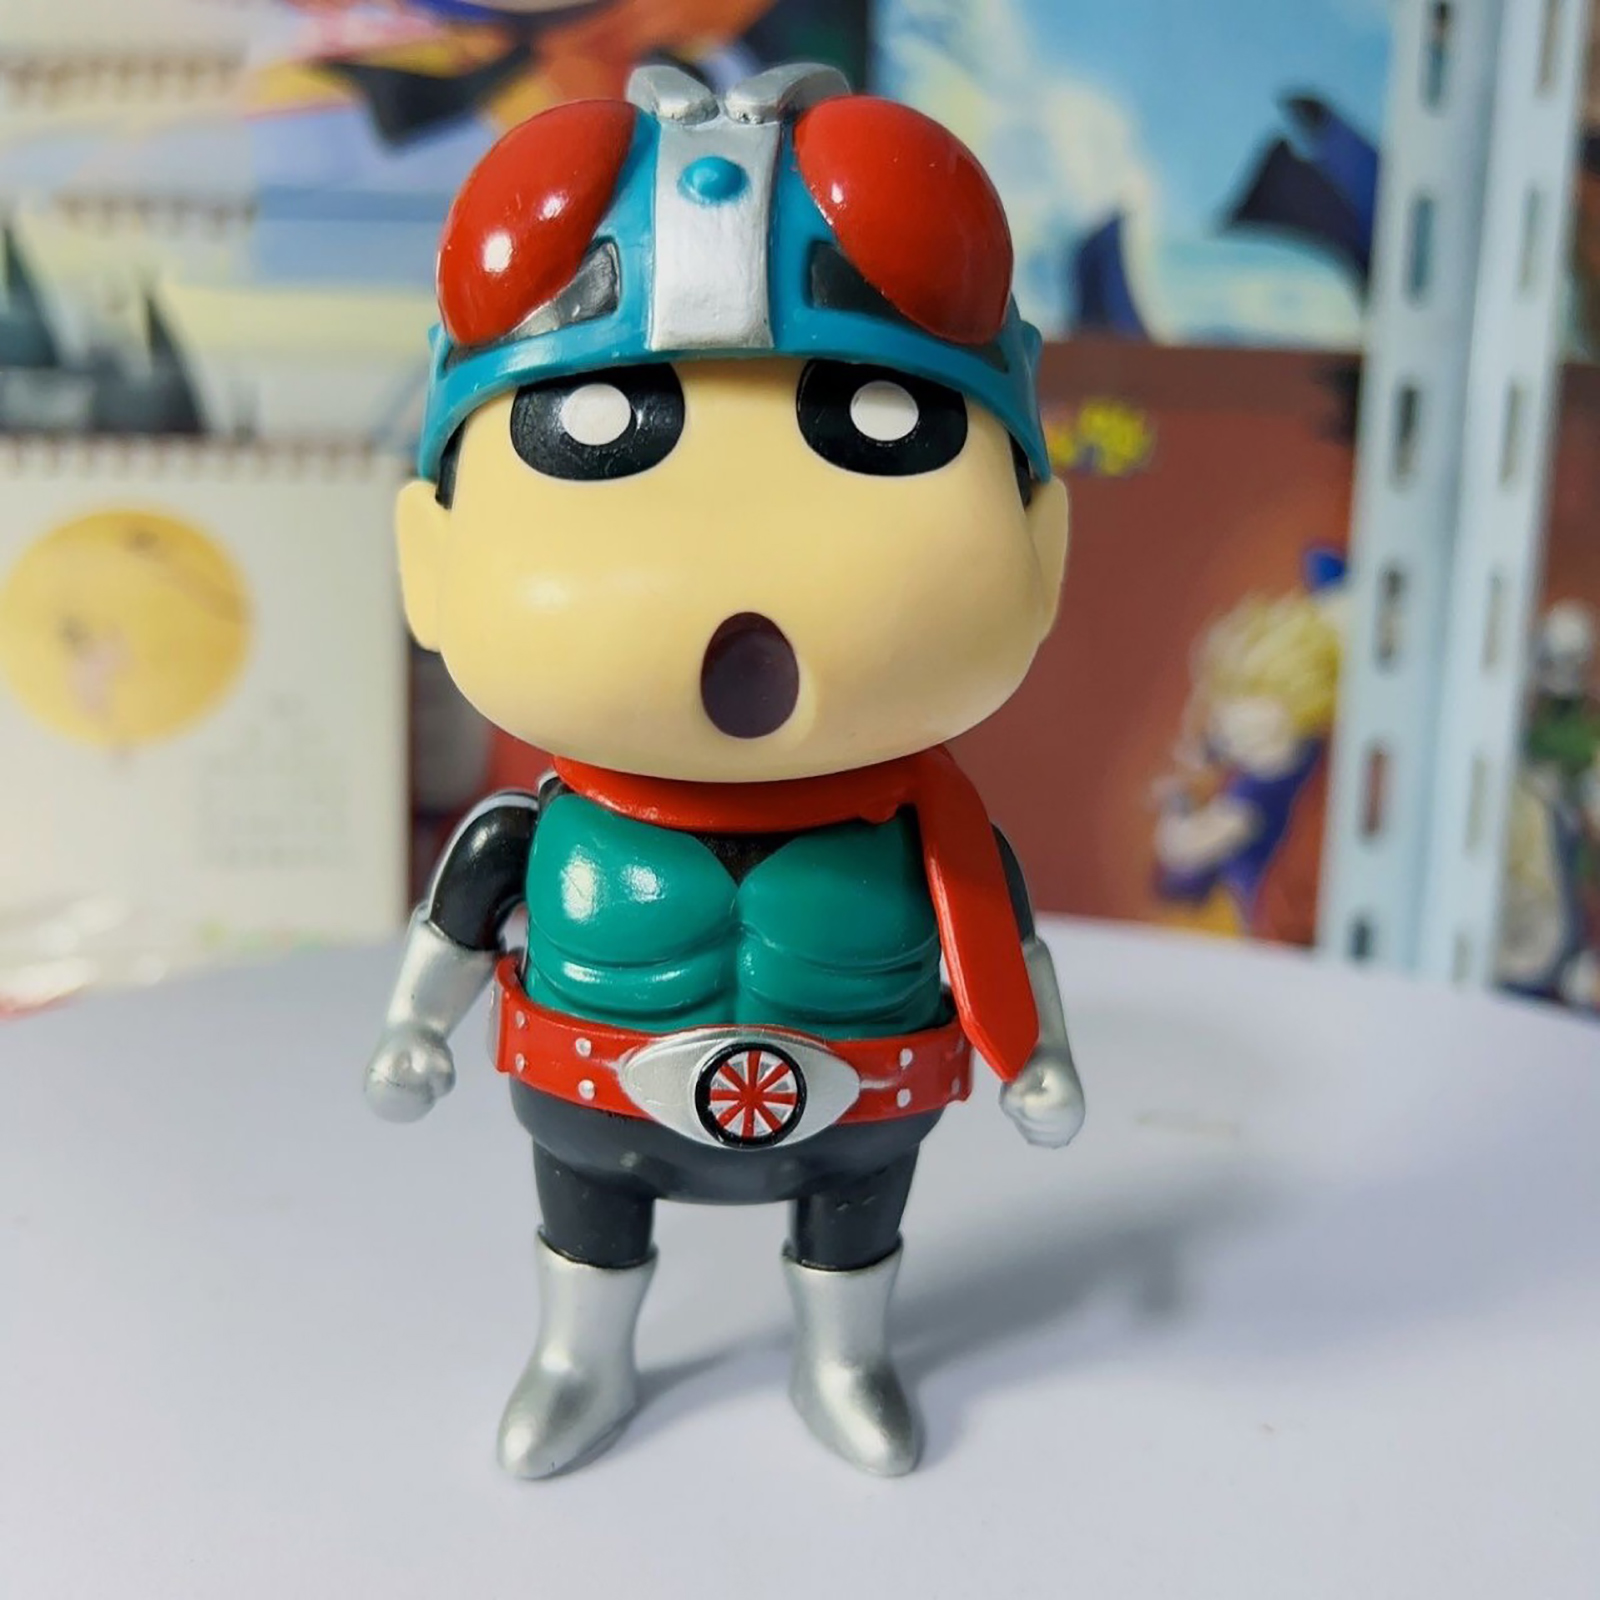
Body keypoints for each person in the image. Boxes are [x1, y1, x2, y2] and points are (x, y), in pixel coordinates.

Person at [363, 62, 1083, 1478]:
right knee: (586, 1224)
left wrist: (1039, 1052)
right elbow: (450, 935)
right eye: (596, 431)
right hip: (597, 1103)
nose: (731, 553)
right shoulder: (533, 833)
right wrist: (412, 1028)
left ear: (1040, 554)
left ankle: (845, 1359)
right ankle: (579, 1357)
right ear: (428, 565)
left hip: (861, 1107)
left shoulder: (930, 842)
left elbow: (1011, 948)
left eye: (879, 424)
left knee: (856, 1229)